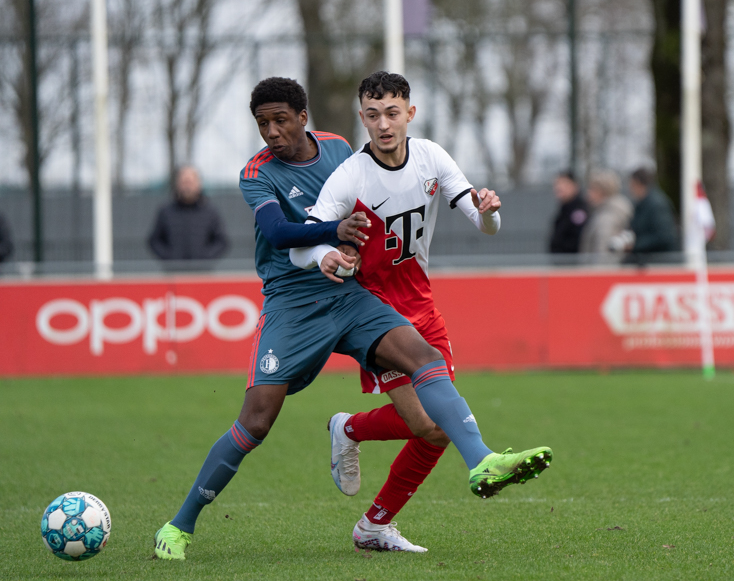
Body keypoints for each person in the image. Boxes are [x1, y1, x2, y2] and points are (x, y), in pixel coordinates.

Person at [153, 77, 552, 561]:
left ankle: (481, 461)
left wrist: (466, 210)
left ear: (304, 118)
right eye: (262, 123)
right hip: (293, 301)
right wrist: (330, 240)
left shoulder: (341, 150)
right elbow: (281, 235)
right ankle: (180, 525)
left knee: (422, 361)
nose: (272, 132)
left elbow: (377, 196)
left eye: (280, 120)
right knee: (256, 423)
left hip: (351, 293)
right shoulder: (256, 174)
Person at [290, 71, 550, 552]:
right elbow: (301, 243)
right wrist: (322, 254)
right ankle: (483, 460)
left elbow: (483, 221)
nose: (383, 124)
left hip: (423, 307)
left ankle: (370, 508)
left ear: (410, 112)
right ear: (362, 118)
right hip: (374, 315)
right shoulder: (351, 176)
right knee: (433, 424)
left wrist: (489, 209)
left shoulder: (431, 156)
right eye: (372, 115)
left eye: (392, 113)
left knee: (432, 430)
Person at [148, 165, 229, 262]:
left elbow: (221, 241)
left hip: (202, 273)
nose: (187, 186)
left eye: (190, 182)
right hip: (173, 272)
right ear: (177, 184)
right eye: (184, 182)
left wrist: (206, 257)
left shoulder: (210, 212)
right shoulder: (166, 211)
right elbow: (154, 241)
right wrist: (168, 257)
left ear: (198, 184)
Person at [625, 167, 679, 264]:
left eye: (631, 183)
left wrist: (635, 245)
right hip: (647, 260)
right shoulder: (641, 204)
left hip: (659, 262)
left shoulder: (656, 205)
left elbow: (664, 236)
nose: (629, 187)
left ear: (637, 183)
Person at [579, 169, 633, 262]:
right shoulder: (603, 212)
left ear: (602, 191)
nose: (588, 194)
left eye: (592, 189)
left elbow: (603, 253)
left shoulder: (608, 216)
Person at [548, 170, 589, 255]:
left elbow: (578, 240)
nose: (559, 187)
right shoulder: (564, 209)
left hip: (572, 264)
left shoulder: (578, 209)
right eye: (557, 184)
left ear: (574, 185)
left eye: (564, 184)